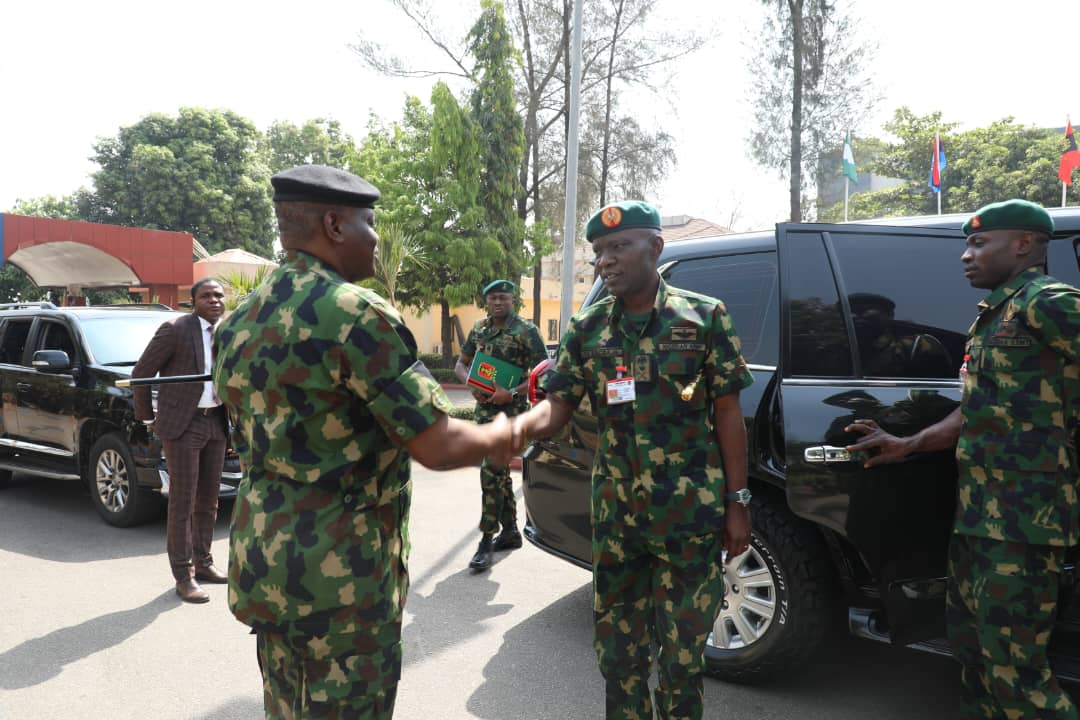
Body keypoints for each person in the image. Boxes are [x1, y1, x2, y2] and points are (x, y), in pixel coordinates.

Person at [211, 164, 516, 720]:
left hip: (266, 564)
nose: (377, 238)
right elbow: (437, 444)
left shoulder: (238, 321)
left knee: (286, 707)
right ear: (334, 224)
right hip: (342, 579)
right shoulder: (355, 314)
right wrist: (517, 430)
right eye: (369, 222)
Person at [509, 200, 754, 720]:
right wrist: (511, 430)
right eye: (599, 252)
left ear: (655, 248)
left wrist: (738, 501)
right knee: (618, 658)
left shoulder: (705, 317)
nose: (606, 261)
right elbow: (556, 407)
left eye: (619, 247)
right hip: (619, 520)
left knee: (683, 660)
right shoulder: (587, 328)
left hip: (690, 517)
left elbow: (729, 413)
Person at [845, 199, 1080, 720]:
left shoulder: (1048, 302)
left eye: (978, 243)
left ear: (1022, 244)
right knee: (972, 654)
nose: (965, 256)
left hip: (1026, 522)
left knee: (1014, 671)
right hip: (980, 516)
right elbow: (978, 409)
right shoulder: (996, 313)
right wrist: (908, 444)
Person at [132, 278, 228, 604]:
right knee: (183, 503)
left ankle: (204, 563)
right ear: (193, 300)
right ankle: (183, 576)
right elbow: (141, 373)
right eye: (207, 296)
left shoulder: (227, 332)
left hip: (216, 422)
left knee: (210, 500)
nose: (214, 300)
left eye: (219, 295)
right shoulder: (175, 329)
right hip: (183, 425)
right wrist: (148, 418)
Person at [455, 279, 549, 571]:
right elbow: (461, 363)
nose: (498, 303)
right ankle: (509, 531)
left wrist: (512, 392)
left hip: (512, 413)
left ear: (513, 301)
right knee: (499, 472)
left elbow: (544, 371)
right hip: (484, 413)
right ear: (487, 302)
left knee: (491, 470)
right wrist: (469, 383)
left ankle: (486, 538)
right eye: (494, 298)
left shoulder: (526, 331)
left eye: (504, 298)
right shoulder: (479, 329)